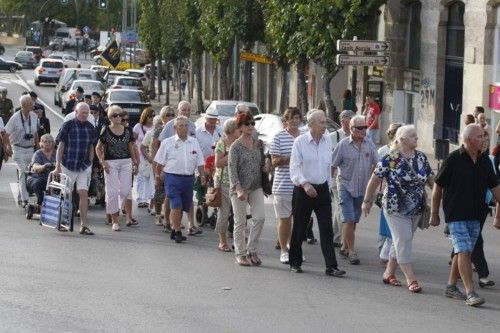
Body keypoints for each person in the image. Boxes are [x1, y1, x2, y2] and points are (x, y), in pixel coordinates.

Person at [431, 124, 500, 307]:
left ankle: (451, 286)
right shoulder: (453, 159)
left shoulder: (485, 161)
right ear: (469, 140)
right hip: (456, 214)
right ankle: (471, 292)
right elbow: (438, 186)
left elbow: (495, 188)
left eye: (484, 136)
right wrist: (434, 213)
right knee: (464, 250)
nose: (484, 139)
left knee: (463, 251)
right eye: (480, 136)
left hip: (476, 215)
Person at [363, 125, 434, 293]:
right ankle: (411, 278)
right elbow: (374, 180)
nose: (416, 138)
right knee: (403, 239)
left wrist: (440, 198)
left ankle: (388, 273)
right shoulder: (390, 158)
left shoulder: (422, 157)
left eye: (416, 136)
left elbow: (432, 179)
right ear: (401, 139)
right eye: (412, 136)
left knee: (402, 241)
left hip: (416, 208)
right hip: (395, 207)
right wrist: (367, 201)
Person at [288, 109, 346, 276]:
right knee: (299, 228)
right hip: (303, 190)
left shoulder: (328, 141)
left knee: (327, 229)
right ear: (311, 124)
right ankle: (295, 262)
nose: (324, 125)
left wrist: (327, 185)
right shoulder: (300, 142)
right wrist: (305, 184)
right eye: (321, 122)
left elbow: (329, 166)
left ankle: (331, 266)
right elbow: (294, 167)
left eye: (324, 122)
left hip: (322, 190)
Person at [332, 115, 378, 265]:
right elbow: (333, 165)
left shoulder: (369, 144)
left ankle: (345, 246)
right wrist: (328, 183)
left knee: (354, 220)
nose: (363, 130)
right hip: (345, 185)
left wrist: (373, 181)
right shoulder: (343, 144)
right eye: (359, 128)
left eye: (364, 127)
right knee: (348, 218)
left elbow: (377, 164)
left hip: (362, 188)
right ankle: (352, 251)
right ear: (351, 129)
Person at [154, 116, 206, 243]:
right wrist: (157, 176)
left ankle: (173, 228)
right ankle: (177, 231)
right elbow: (159, 162)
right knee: (176, 204)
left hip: (188, 178)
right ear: (175, 128)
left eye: (185, 125)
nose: (183, 128)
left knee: (184, 205)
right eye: (180, 125)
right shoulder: (168, 142)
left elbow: (199, 161)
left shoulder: (194, 142)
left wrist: (203, 175)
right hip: (172, 177)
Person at [228, 112, 268, 266]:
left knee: (260, 217)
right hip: (240, 188)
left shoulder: (258, 144)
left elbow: (262, 164)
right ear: (240, 127)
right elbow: (232, 170)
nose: (251, 126)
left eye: (252, 123)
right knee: (240, 222)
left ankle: (252, 250)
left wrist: (265, 168)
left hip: (256, 186)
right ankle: (240, 253)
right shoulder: (235, 147)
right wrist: (238, 189)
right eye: (247, 124)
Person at [55, 102, 96, 236]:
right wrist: (57, 165)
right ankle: (63, 220)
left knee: (83, 193)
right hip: (68, 164)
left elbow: (91, 147)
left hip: (83, 166)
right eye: (82, 112)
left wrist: (90, 162)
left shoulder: (90, 127)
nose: (84, 115)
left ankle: (84, 225)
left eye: (87, 113)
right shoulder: (68, 125)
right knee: (66, 194)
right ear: (76, 112)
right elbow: (61, 146)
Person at [96, 106, 138, 231]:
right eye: (115, 115)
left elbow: (131, 147)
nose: (118, 117)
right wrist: (103, 162)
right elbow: (98, 148)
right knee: (112, 192)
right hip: (111, 163)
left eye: (120, 115)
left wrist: (135, 162)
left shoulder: (127, 130)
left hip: (126, 162)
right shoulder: (106, 130)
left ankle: (117, 209)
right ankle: (115, 220)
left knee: (125, 191)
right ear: (109, 117)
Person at [269, 107, 302, 264]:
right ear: (286, 121)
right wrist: (291, 158)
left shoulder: (304, 137)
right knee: (285, 219)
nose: (295, 121)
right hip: (283, 185)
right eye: (292, 118)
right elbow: (274, 161)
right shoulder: (278, 137)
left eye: (297, 118)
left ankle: (295, 249)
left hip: (302, 185)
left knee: (300, 221)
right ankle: (284, 250)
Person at [3, 94, 39, 207]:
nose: (32, 106)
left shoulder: (34, 116)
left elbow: (35, 133)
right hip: (18, 149)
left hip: (30, 149)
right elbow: (5, 134)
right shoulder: (15, 118)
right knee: (23, 171)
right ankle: (25, 200)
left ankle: (21, 195)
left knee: (30, 173)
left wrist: (38, 147)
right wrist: (7, 147)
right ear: (23, 105)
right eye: (30, 104)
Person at [376, 123, 403, 265]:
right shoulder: (390, 153)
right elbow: (380, 174)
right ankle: (386, 254)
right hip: (391, 195)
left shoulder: (413, 154)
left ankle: (389, 254)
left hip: (403, 197)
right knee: (392, 228)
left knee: (397, 230)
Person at [330, 110, 356, 248]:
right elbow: (329, 158)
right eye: (348, 119)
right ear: (342, 121)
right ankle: (342, 240)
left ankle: (336, 236)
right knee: (342, 207)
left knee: (339, 207)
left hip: (352, 178)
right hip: (337, 177)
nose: (350, 121)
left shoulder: (356, 136)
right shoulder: (334, 136)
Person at [214, 119, 240, 252]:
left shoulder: (240, 143)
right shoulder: (222, 143)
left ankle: (238, 241)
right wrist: (231, 154)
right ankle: (222, 241)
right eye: (238, 128)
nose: (240, 131)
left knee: (238, 214)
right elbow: (218, 163)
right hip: (223, 182)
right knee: (224, 213)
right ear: (231, 130)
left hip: (238, 183)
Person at [152, 105, 176, 231]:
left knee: (170, 193)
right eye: (168, 115)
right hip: (161, 164)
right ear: (162, 117)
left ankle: (172, 218)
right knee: (160, 191)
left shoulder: (176, 130)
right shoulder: (159, 131)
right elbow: (154, 148)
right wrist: (156, 167)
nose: (171, 117)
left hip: (173, 166)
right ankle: (158, 214)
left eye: (173, 115)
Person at [141, 115, 163, 225]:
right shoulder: (150, 133)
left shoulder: (164, 133)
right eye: (157, 124)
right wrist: (149, 157)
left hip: (162, 162)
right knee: (154, 184)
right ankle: (152, 205)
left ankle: (155, 205)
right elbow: (142, 146)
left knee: (157, 185)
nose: (159, 126)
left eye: (160, 123)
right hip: (153, 162)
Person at [26, 134, 56, 214]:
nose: (47, 143)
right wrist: (44, 166)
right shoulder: (38, 154)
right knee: (39, 183)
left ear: (53, 143)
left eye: (50, 141)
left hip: (53, 178)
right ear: (41, 143)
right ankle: (40, 204)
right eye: (45, 141)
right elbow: (35, 167)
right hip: (37, 177)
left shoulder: (56, 153)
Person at [133, 107, 155, 209]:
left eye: (153, 116)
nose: (151, 118)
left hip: (151, 156)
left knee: (150, 177)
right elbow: (133, 142)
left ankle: (149, 197)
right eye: (150, 116)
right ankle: (141, 198)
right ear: (145, 117)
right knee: (141, 177)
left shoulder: (155, 128)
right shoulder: (138, 127)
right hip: (140, 155)